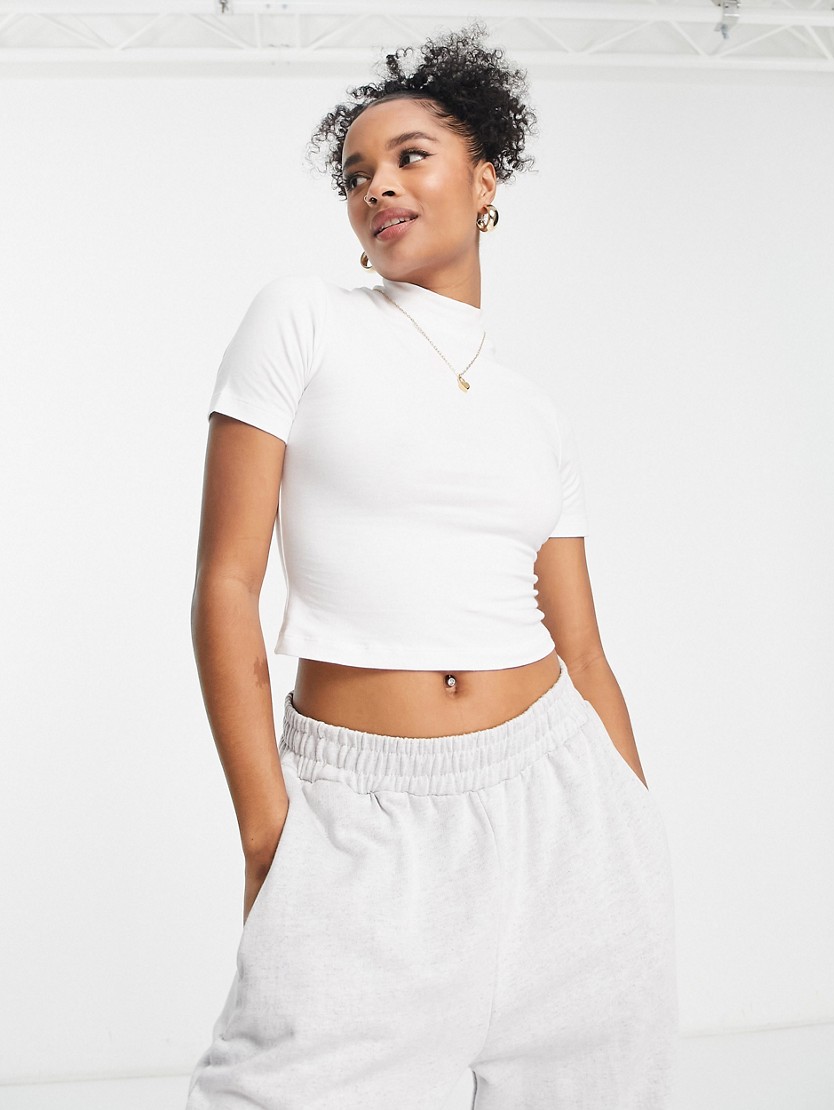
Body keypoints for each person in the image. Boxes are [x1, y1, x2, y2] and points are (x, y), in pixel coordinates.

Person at [185, 21, 678, 1110]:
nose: (377, 186)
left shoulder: (535, 413)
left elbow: (584, 649)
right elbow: (225, 585)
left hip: (567, 817)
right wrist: (269, 836)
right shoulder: (301, 320)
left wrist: (632, 828)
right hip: (359, 818)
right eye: (355, 173)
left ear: (484, 181)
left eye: (410, 156)